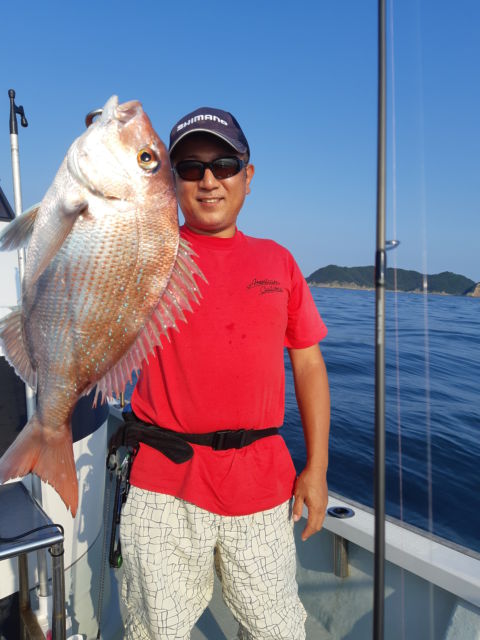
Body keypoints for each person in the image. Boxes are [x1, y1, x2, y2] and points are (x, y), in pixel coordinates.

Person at [119, 107, 330, 640]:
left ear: (247, 176)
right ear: (171, 182)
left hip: (262, 484)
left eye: (224, 164)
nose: (209, 180)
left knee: (277, 630)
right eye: (190, 168)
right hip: (164, 483)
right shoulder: (147, 253)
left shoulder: (279, 262)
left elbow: (308, 363)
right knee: (156, 632)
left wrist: (318, 469)